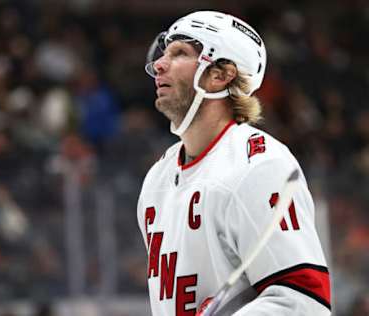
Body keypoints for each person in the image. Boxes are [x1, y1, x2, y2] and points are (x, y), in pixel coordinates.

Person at [137, 11, 331, 316]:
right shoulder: (157, 179)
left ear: (220, 75)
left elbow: (304, 302)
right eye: (163, 55)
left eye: (179, 54)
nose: (159, 65)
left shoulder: (261, 165)